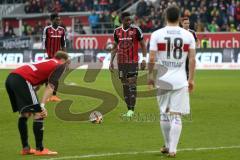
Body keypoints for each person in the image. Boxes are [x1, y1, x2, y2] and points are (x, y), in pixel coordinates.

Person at [148, 5, 196, 157]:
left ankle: (167, 145)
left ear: (165, 17)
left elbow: (151, 58)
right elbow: (192, 59)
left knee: (164, 114)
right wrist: (191, 79)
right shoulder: (188, 35)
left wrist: (150, 77)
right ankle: (173, 149)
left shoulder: (156, 34)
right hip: (180, 80)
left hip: (162, 80)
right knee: (176, 115)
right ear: (180, 18)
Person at [5, 51, 69, 156]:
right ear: (63, 60)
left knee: (25, 114)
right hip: (22, 80)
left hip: (11, 78)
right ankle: (40, 149)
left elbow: (36, 86)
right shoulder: (60, 65)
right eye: (67, 62)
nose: (67, 65)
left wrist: (36, 105)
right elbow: (51, 87)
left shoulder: (48, 62)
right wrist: (42, 106)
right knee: (39, 114)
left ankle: (26, 148)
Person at [109, 12, 147, 117]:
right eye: (126, 20)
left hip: (132, 62)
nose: (129, 22)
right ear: (122, 20)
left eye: (130, 20)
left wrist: (144, 59)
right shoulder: (117, 32)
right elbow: (115, 47)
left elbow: (143, 45)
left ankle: (132, 110)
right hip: (121, 63)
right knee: (125, 85)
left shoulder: (135, 30)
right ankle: (129, 109)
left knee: (132, 84)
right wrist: (111, 61)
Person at [42, 12, 66, 102]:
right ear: (52, 20)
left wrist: (65, 57)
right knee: (47, 77)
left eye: (59, 19)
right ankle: (47, 95)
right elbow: (43, 43)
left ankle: (54, 96)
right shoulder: (47, 29)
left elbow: (63, 44)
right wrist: (45, 56)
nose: (58, 21)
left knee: (56, 77)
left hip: (58, 58)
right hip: (49, 57)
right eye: (57, 19)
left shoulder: (62, 30)